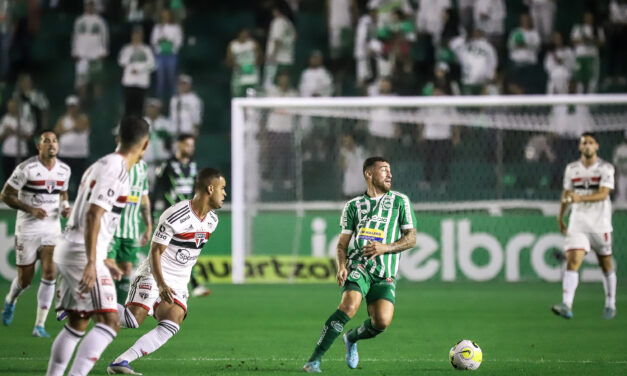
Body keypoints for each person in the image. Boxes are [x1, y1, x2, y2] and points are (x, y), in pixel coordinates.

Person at [45, 116, 149, 376]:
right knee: (110, 323)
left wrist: (103, 258)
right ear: (145, 145)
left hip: (73, 248)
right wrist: (93, 261)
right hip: (82, 253)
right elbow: (93, 214)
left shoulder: (100, 164)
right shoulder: (117, 169)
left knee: (77, 324)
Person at [106, 168, 226, 375]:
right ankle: (88, 302)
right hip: (154, 273)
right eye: (222, 189)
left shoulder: (212, 221)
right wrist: (161, 284)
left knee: (173, 322)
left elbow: (188, 252)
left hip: (178, 282)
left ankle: (121, 361)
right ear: (210, 189)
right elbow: (155, 251)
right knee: (133, 320)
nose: (225, 194)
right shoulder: (176, 214)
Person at [303, 156, 417, 372]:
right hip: (360, 267)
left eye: (390, 170)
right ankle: (314, 360)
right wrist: (342, 266)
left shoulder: (400, 201)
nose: (389, 174)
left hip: (385, 273)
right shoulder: (353, 206)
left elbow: (411, 238)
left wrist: (386, 247)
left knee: (381, 322)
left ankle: (351, 338)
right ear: (369, 174)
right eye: (384, 170)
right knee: (348, 306)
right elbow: (341, 245)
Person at [0, 130, 71, 337]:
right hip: (28, 229)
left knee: (50, 272)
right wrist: (30, 209)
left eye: (54, 141)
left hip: (51, 228)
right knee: (25, 280)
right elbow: (5, 195)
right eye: (46, 141)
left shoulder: (64, 170)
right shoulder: (26, 169)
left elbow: (63, 191)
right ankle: (11, 300)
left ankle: (39, 325)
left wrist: (65, 206)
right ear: (38, 147)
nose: (51, 144)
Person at [552, 132, 616, 320]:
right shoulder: (572, 169)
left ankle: (610, 304)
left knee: (606, 265)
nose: (587, 146)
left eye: (590, 143)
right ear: (580, 147)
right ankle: (567, 304)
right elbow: (566, 193)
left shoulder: (606, 168)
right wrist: (561, 216)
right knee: (573, 260)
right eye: (584, 143)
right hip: (578, 221)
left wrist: (580, 197)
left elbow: (604, 194)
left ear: (596, 146)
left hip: (600, 224)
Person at [151, 133, 209, 297]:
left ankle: (186, 284)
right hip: (172, 215)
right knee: (167, 251)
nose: (190, 148)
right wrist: (152, 213)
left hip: (191, 215)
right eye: (187, 145)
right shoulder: (167, 165)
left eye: (192, 145)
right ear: (179, 145)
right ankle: (188, 284)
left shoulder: (195, 166)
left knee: (184, 250)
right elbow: (156, 190)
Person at [105, 157, 152, 305]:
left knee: (126, 270)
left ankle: (117, 312)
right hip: (111, 228)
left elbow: (144, 197)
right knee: (109, 269)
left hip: (131, 230)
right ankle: (101, 309)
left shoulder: (143, 167)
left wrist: (148, 225)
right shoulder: (114, 163)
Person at [72, 0, 109, 101]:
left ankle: (98, 102)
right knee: (82, 82)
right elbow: (75, 36)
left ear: (94, 6)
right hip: (82, 55)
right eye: (87, 5)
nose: (89, 7)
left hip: (96, 54)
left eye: (91, 5)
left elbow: (105, 36)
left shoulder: (100, 21)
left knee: (97, 81)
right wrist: (74, 51)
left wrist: (104, 51)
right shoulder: (79, 20)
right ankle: (82, 103)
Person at [53, 95, 90, 198]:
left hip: (80, 155)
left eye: (74, 106)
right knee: (63, 178)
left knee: (80, 179)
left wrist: (67, 129)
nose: (72, 108)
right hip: (65, 154)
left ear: (78, 107)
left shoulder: (84, 118)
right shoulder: (62, 119)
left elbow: (80, 126)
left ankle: (78, 199)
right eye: (70, 106)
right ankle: (62, 198)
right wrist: (70, 129)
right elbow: (57, 131)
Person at [118, 26, 155, 116]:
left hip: (142, 83)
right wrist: (132, 50)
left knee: (140, 110)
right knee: (128, 109)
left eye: (138, 35)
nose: (136, 37)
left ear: (142, 36)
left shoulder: (147, 49)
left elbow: (152, 64)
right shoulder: (126, 49)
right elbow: (121, 61)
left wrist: (139, 70)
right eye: (134, 35)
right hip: (129, 82)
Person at [151, 8, 183, 103]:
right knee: (160, 79)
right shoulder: (157, 27)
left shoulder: (176, 28)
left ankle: (173, 101)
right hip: (160, 55)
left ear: (170, 16)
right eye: (163, 14)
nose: (165, 16)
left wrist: (170, 41)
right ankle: (159, 101)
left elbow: (179, 41)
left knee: (172, 78)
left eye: (167, 14)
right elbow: (153, 41)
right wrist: (159, 41)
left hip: (171, 55)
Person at [263, 5, 296, 90]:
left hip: (277, 60)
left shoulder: (278, 22)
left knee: (270, 86)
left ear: (277, 11)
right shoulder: (288, 22)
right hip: (287, 58)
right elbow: (295, 36)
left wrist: (273, 56)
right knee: (285, 86)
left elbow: (277, 40)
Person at [226, 28, 262, 98]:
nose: (245, 35)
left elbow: (261, 57)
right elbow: (228, 61)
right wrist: (237, 65)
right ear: (239, 34)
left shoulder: (253, 44)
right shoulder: (233, 45)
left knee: (252, 96)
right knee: (238, 97)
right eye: (243, 33)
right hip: (239, 76)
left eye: (247, 34)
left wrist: (255, 63)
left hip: (252, 75)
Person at [613, 131, 627, 204]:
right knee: (620, 200)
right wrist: (615, 180)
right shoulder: (619, 149)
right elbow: (616, 166)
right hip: (622, 176)